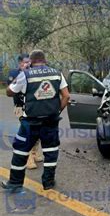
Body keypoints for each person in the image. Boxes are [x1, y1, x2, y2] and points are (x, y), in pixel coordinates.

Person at [2, 50, 70, 193]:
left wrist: (15, 80)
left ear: (31, 61)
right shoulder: (57, 74)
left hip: (30, 122)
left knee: (20, 151)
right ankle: (48, 183)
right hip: (51, 121)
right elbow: (66, 96)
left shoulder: (25, 75)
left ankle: (14, 184)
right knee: (50, 152)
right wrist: (57, 111)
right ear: (44, 60)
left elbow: (9, 92)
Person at [8, 54, 44, 170]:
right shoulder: (14, 73)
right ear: (20, 63)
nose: (28, 64)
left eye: (29, 62)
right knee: (27, 132)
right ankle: (28, 159)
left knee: (38, 132)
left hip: (35, 107)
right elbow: (11, 90)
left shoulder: (33, 72)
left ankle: (34, 153)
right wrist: (21, 75)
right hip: (21, 107)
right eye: (25, 62)